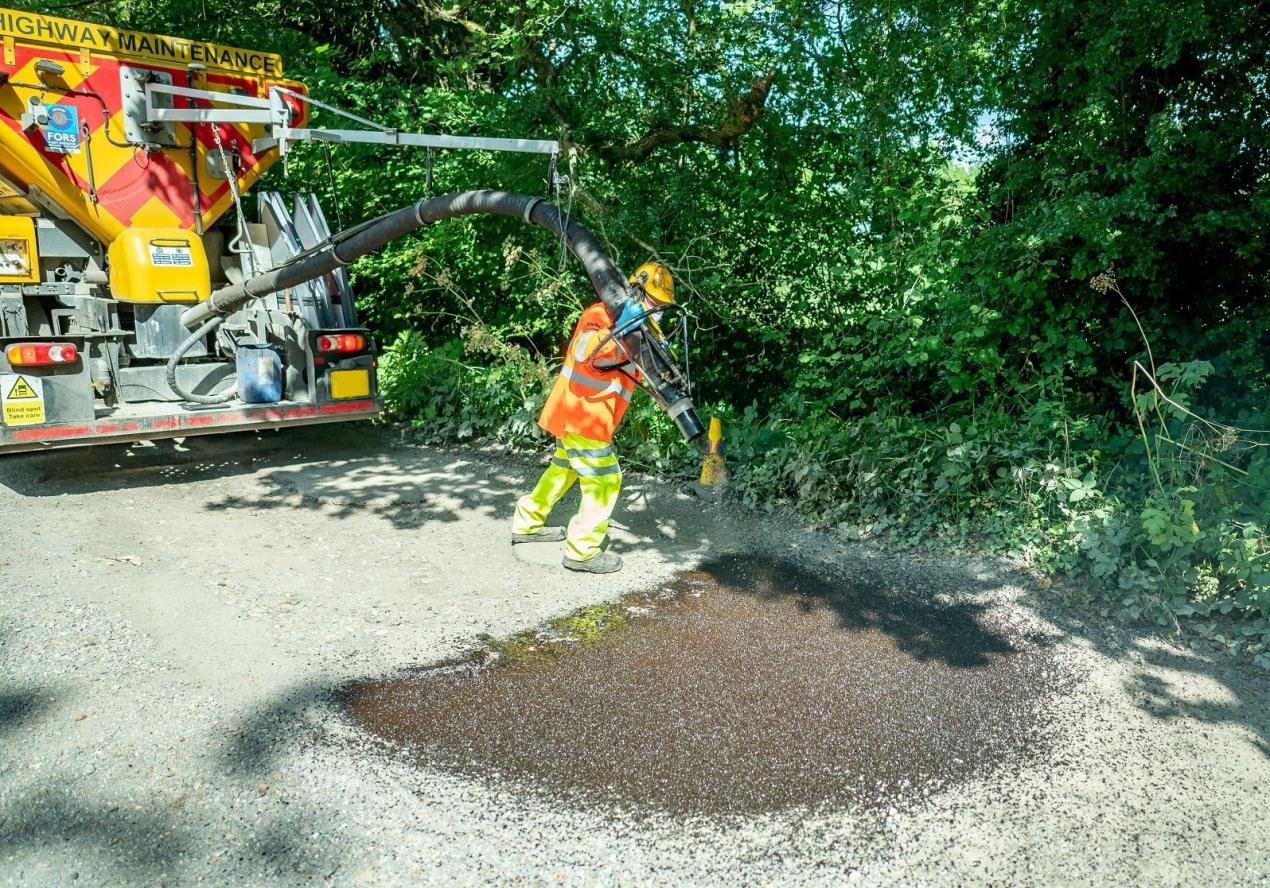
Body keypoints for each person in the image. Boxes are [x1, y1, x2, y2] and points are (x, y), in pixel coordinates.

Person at [510, 261, 676, 573]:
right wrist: (622, 332)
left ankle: (527, 522)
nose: (659, 310)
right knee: (605, 478)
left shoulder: (637, 329)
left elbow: (633, 371)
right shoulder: (601, 315)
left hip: (582, 413)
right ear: (636, 292)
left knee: (563, 469)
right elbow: (593, 354)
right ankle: (582, 551)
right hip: (583, 415)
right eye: (655, 302)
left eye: (663, 305)